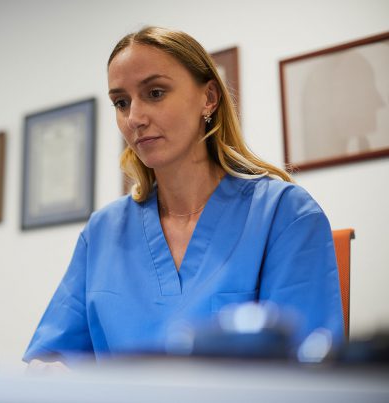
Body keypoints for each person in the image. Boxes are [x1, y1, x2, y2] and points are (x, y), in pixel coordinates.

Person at [23, 26, 344, 369]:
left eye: (156, 93)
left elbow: (306, 372)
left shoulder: (285, 214)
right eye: (121, 102)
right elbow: (50, 361)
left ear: (208, 98)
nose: (135, 118)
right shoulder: (102, 232)